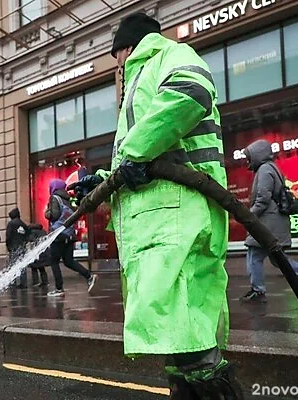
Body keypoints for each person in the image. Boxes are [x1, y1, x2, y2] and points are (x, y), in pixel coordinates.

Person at [68, 12, 243, 399]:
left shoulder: (167, 58)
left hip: (177, 219)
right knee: (178, 335)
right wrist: (103, 182)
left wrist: (133, 152)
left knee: (190, 335)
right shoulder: (144, 80)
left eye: (117, 59)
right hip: (163, 222)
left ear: (126, 48)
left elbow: (191, 92)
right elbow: (135, 164)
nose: (118, 67)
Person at [241, 139, 298, 303]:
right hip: (276, 221)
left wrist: (248, 216)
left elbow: (263, 198)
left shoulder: (265, 170)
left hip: (268, 223)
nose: (247, 161)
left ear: (257, 155)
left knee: (254, 255)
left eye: (249, 157)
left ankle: (257, 291)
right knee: (279, 259)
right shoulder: (272, 168)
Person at [44, 179, 97, 297]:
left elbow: (54, 215)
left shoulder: (54, 198)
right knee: (68, 261)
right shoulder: (68, 199)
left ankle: (59, 289)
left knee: (53, 260)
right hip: (69, 234)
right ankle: (89, 276)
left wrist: (46, 212)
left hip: (58, 234)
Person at [5, 207, 30, 288]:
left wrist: (8, 246)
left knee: (13, 265)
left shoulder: (11, 224)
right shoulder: (23, 224)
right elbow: (27, 235)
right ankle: (23, 283)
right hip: (22, 247)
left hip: (14, 248)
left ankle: (13, 282)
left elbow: (8, 236)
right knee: (22, 265)